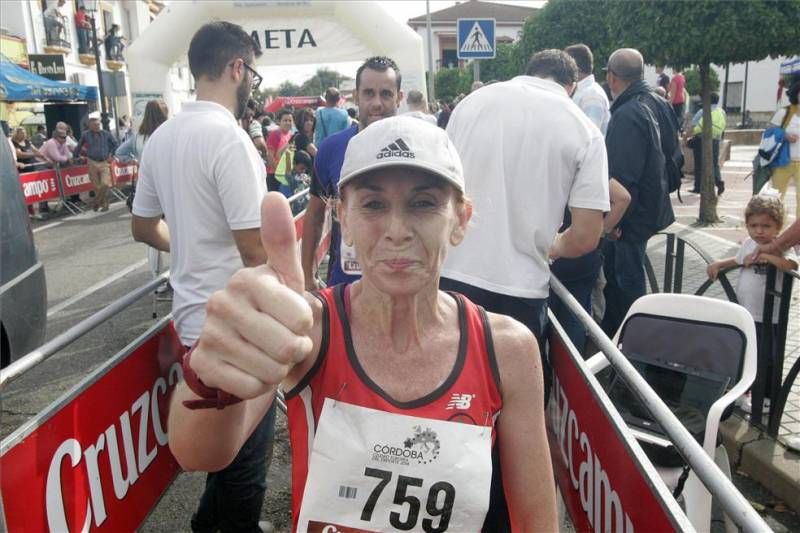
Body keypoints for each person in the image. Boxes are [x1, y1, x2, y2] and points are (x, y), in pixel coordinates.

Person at [167, 116, 559, 533]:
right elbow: (199, 455)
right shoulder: (309, 328)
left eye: (423, 203)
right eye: (373, 205)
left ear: (460, 220)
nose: (397, 231)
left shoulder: (507, 349)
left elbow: (537, 520)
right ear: (345, 221)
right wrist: (212, 373)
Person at [130, 21, 274, 533]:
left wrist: (186, 244)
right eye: (252, 72)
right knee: (245, 470)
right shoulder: (229, 140)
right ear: (237, 68)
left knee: (226, 458)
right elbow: (254, 247)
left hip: (192, 320)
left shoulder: (161, 137)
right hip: (236, 327)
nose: (252, 83)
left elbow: (143, 227)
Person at [440, 49, 609, 344]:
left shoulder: (470, 105)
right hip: (522, 288)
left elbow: (440, 184)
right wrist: (552, 247)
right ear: (572, 86)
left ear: (529, 71)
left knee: (452, 383)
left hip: (451, 274)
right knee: (514, 385)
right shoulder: (585, 130)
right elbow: (585, 236)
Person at [301, 56, 404, 291]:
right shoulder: (331, 149)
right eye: (369, 93)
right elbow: (316, 212)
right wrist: (307, 275)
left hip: (404, 289)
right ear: (356, 96)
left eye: (386, 94)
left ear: (400, 97)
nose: (377, 103)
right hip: (345, 290)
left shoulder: (420, 147)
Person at [551, 44, 627, 353]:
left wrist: (599, 230)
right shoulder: (571, 155)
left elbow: (621, 197)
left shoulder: (583, 143)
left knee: (571, 323)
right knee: (569, 318)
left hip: (575, 252)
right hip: (574, 247)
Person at [602, 48, 675, 336]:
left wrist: (614, 222)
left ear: (611, 77)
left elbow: (623, 177)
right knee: (629, 281)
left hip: (631, 218)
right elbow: (671, 154)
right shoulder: (659, 101)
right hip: (651, 207)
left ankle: (635, 348)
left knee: (626, 286)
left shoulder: (627, 114)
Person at [707, 195, 797, 413]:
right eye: (753, 225)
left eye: (766, 226)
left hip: (770, 317)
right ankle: (743, 392)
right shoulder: (749, 244)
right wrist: (719, 263)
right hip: (746, 314)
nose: (759, 231)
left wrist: (769, 257)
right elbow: (738, 259)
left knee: (767, 358)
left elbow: (790, 265)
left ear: (778, 227)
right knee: (746, 354)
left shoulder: (782, 248)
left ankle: (766, 398)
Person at [768, 79, 800, 220]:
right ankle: (775, 231)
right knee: (776, 199)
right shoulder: (785, 112)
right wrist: (784, 135)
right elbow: (769, 131)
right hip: (783, 162)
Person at [74, 115, 118, 211]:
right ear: (90, 126)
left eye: (98, 124)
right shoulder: (85, 134)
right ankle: (104, 204)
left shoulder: (106, 134)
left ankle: (96, 202)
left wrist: (112, 155)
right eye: (95, 125)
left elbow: (115, 144)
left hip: (104, 161)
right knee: (96, 186)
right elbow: (79, 146)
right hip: (92, 161)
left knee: (105, 184)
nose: (97, 127)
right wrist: (75, 156)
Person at [564, 43, 610, 134]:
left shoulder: (592, 95)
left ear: (575, 68)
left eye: (564, 65)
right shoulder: (582, 92)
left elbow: (590, 136)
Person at [689, 92, 727, 195]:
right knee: (714, 163)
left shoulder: (702, 111)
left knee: (699, 164)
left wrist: (685, 137)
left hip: (701, 139)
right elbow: (723, 126)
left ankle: (698, 187)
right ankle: (718, 182)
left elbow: (693, 125)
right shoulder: (722, 112)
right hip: (715, 140)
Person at [266, 108, 294, 192]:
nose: (288, 123)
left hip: (285, 175)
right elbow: (270, 156)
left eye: (290, 120)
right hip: (274, 175)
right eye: (285, 120)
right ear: (279, 122)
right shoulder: (275, 134)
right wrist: (278, 172)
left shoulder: (290, 135)